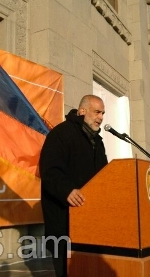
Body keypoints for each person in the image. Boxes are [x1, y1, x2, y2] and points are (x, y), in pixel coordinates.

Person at [39, 94, 108, 277]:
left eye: (103, 113)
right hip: (64, 221)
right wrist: (67, 190)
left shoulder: (98, 142)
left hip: (90, 223)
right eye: (97, 112)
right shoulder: (61, 134)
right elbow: (49, 171)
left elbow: (105, 177)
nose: (101, 117)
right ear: (82, 111)